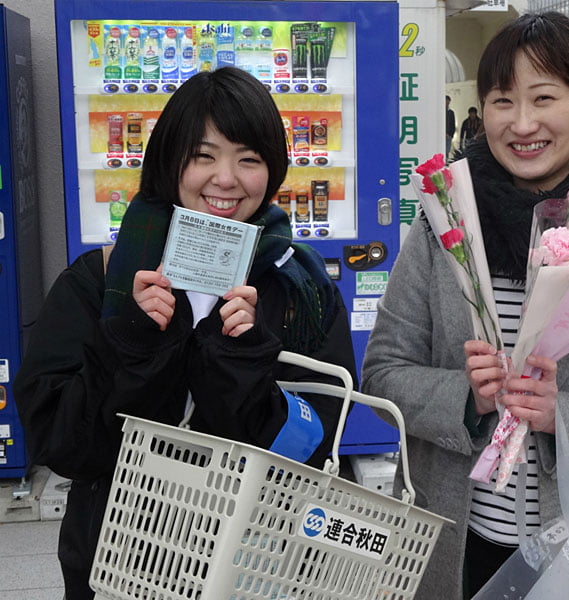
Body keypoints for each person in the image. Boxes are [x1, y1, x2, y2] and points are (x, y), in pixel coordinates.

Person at [362, 12, 569, 600]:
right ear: (481, 111)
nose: (522, 123)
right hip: (459, 543)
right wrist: (465, 399)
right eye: (502, 101)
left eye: (544, 98)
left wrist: (558, 414)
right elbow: (384, 371)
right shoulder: (442, 227)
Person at [14, 66, 356, 600]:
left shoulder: (299, 287)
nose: (226, 179)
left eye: (249, 159)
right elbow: (63, 445)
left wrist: (243, 364)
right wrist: (128, 343)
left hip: (259, 563)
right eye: (203, 156)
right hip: (119, 560)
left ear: (273, 170)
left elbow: (317, 442)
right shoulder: (100, 280)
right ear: (170, 163)